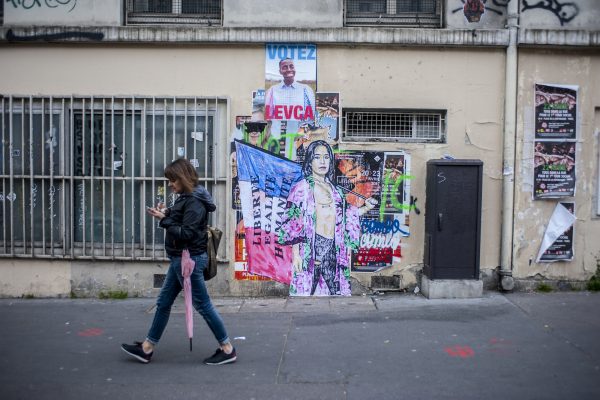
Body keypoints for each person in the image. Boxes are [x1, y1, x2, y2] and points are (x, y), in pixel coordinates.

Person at [121, 159, 236, 365]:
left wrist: (163, 220)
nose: (170, 184)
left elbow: (187, 233)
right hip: (180, 259)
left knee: (203, 305)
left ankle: (227, 348)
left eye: (173, 180)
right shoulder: (186, 198)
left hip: (188, 260)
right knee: (164, 303)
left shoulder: (194, 202)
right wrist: (166, 213)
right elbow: (181, 220)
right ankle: (147, 348)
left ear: (183, 178)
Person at [278, 140, 377, 296]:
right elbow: (294, 223)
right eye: (317, 157)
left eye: (326, 157)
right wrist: (296, 255)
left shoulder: (335, 190)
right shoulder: (301, 189)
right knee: (305, 293)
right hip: (311, 250)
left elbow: (346, 217)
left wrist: (366, 207)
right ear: (310, 161)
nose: (322, 161)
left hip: (333, 250)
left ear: (331, 161)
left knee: (337, 294)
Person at [265, 58, 316, 123]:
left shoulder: (306, 90)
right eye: (284, 67)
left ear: (295, 69)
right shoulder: (272, 91)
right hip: (279, 131)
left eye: (291, 67)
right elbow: (268, 118)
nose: (289, 70)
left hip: (300, 132)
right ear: (280, 71)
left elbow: (312, 116)